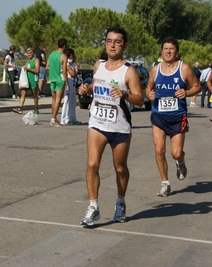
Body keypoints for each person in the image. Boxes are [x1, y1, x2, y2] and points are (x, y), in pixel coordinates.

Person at [78, 26, 144, 226]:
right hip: (97, 123)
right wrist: (86, 89)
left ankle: (120, 202)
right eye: (109, 41)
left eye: (117, 42)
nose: (112, 45)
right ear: (105, 44)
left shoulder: (129, 71)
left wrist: (124, 94)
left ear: (124, 45)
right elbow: (95, 86)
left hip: (120, 126)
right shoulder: (99, 66)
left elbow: (140, 99)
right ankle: (93, 207)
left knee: (120, 168)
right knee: (92, 164)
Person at [146, 37, 201, 197]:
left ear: (176, 51)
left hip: (178, 116)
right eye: (165, 49)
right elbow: (148, 87)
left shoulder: (184, 68)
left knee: (176, 153)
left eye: (171, 49)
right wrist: (149, 93)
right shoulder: (155, 70)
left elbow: (197, 87)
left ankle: (181, 162)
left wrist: (186, 92)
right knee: (159, 150)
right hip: (158, 116)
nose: (168, 51)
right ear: (161, 52)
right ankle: (165, 183)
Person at [46, 38, 69, 127]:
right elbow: (64, 71)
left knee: (53, 99)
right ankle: (53, 119)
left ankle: (54, 117)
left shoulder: (52, 54)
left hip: (52, 79)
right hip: (60, 79)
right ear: (64, 46)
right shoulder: (63, 56)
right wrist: (67, 82)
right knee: (58, 100)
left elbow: (47, 66)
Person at [13, 47, 39, 114]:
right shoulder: (28, 61)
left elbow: (37, 70)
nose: (29, 54)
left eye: (30, 53)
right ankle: (20, 108)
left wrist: (27, 69)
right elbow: (25, 67)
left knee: (34, 95)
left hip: (33, 79)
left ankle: (36, 108)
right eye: (28, 53)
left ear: (33, 53)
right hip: (26, 80)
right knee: (23, 93)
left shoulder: (36, 60)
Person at [60, 48, 81, 125]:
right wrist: (75, 71)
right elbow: (73, 74)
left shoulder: (72, 64)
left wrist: (75, 72)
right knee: (67, 101)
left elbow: (75, 74)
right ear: (70, 55)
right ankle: (64, 119)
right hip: (68, 83)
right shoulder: (67, 63)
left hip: (72, 84)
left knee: (73, 103)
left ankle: (72, 118)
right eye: (72, 55)